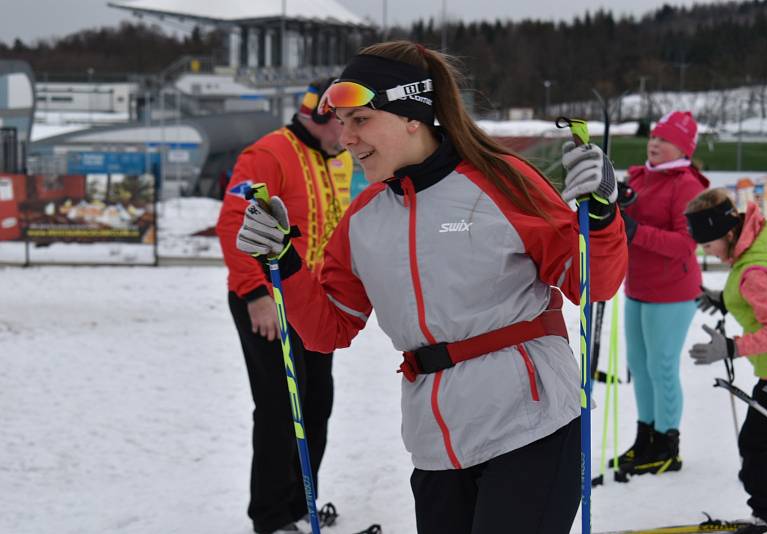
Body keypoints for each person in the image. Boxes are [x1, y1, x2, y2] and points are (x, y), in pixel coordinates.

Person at [235, 41, 627, 534]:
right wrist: (283, 262)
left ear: (410, 116)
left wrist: (603, 213)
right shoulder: (364, 218)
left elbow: (591, 282)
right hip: (436, 441)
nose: (346, 137)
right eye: (342, 122)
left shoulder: (501, 180)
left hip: (531, 423)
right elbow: (326, 330)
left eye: (360, 120)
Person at [216, 78, 353, 534]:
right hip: (267, 298)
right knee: (279, 408)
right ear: (320, 119)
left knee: (316, 404)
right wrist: (255, 294)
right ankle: (271, 516)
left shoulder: (339, 159)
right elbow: (234, 221)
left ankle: (300, 502)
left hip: (311, 300)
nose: (348, 135)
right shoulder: (268, 154)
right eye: (342, 124)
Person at [686, 188, 767, 534]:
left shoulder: (754, 272)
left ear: (729, 234)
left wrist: (732, 348)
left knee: (754, 442)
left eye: (708, 246)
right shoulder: (762, 248)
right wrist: (725, 300)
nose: (708, 253)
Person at [611, 110, 709, 476]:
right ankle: (646, 437)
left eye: (665, 139)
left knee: (662, 366)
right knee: (640, 366)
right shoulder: (641, 176)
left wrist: (635, 230)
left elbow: (686, 244)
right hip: (637, 285)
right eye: (653, 136)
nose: (654, 143)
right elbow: (630, 216)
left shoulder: (687, 185)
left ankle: (668, 444)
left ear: (682, 147)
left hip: (672, 291)